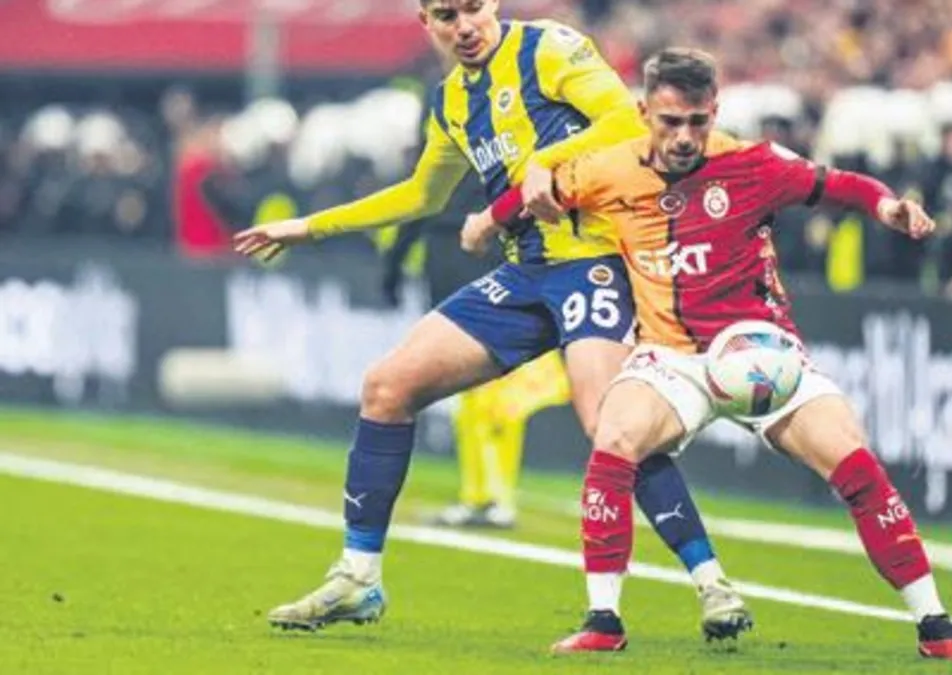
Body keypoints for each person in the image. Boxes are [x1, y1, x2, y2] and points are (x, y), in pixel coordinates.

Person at [231, 0, 749, 639]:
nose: (465, 26)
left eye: (473, 7)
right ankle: (358, 577)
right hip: (526, 272)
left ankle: (713, 584)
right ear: (426, 23)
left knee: (610, 424)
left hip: (597, 262)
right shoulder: (452, 99)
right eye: (446, 15)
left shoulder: (548, 48)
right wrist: (310, 227)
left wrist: (540, 165)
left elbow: (623, 122)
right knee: (386, 387)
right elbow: (423, 195)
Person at [465, 47, 952, 662]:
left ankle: (936, 625)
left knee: (854, 460)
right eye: (670, 122)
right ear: (643, 112)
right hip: (671, 359)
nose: (684, 137)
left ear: (714, 113)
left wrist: (887, 206)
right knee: (614, 436)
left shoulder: (753, 163)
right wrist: (486, 220)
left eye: (697, 122)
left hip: (761, 354)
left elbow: (838, 185)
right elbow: (540, 189)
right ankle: (603, 619)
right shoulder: (608, 168)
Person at [429, 351, 571, 528]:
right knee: (471, 416)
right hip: (484, 350)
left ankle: (498, 501)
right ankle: (474, 499)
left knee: (498, 418)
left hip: (506, 354)